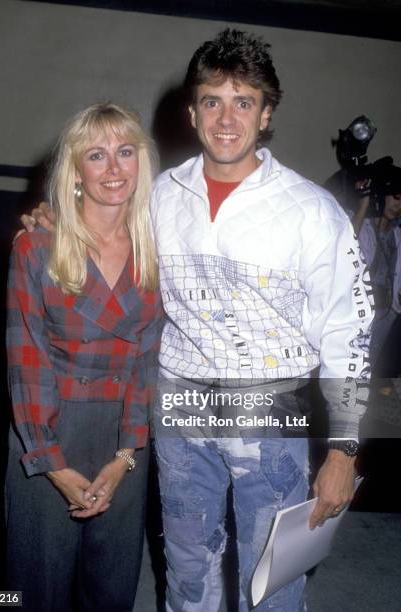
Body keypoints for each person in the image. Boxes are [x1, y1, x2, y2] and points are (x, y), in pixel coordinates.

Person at [22, 30, 373, 612]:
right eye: (212, 100)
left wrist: (344, 451)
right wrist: (50, 218)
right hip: (182, 415)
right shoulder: (159, 197)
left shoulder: (313, 213)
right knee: (188, 580)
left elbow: (350, 335)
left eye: (244, 101)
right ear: (192, 112)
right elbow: (99, 223)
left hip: (271, 417)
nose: (227, 117)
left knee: (274, 586)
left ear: (267, 114)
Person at [6, 102, 163, 612]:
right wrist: (51, 463)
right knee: (35, 590)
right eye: (96, 155)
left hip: (123, 433)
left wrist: (126, 456)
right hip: (49, 428)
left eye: (125, 152)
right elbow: (26, 361)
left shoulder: (158, 248)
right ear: (75, 171)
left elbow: (146, 361)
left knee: (112, 590)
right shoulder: (37, 246)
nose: (114, 169)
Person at [351, 177, 401, 378]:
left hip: (386, 312)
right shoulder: (361, 224)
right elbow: (344, 243)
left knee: (370, 369)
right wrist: (364, 204)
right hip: (357, 314)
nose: (399, 205)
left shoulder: (397, 234)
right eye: (396, 196)